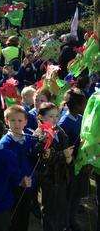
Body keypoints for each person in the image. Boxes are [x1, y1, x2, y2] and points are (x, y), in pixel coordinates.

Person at [35, 102, 73, 231]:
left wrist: (68, 157)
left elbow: (65, 147)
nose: (55, 119)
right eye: (51, 116)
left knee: (61, 206)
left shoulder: (58, 130)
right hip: (48, 179)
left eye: (57, 116)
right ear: (41, 117)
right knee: (50, 209)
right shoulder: (40, 134)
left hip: (61, 176)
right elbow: (45, 157)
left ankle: (61, 227)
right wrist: (63, 154)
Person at [0, 105, 35, 231]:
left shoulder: (31, 137)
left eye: (20, 120)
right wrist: (19, 180)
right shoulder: (5, 143)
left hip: (29, 184)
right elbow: (7, 168)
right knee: (12, 216)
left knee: (24, 215)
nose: (17, 124)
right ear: (6, 121)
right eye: (13, 120)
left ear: (25, 121)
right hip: (12, 187)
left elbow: (33, 158)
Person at [59, 88, 88, 231]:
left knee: (77, 193)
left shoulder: (81, 118)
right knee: (69, 194)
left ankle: (72, 218)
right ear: (77, 106)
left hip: (81, 163)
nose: (86, 106)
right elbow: (66, 148)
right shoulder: (64, 123)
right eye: (84, 104)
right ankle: (66, 222)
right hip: (71, 165)